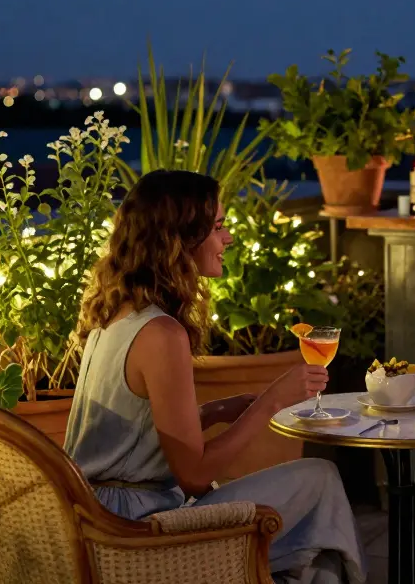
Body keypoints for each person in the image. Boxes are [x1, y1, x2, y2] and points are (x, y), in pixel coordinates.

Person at [63, 169, 366, 584]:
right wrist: (270, 402)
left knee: (315, 558)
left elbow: (130, 431)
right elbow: (195, 474)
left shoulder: (115, 316)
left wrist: (218, 410)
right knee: (320, 479)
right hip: (137, 530)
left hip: (102, 513)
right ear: (179, 238)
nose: (228, 239)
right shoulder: (161, 333)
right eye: (218, 227)